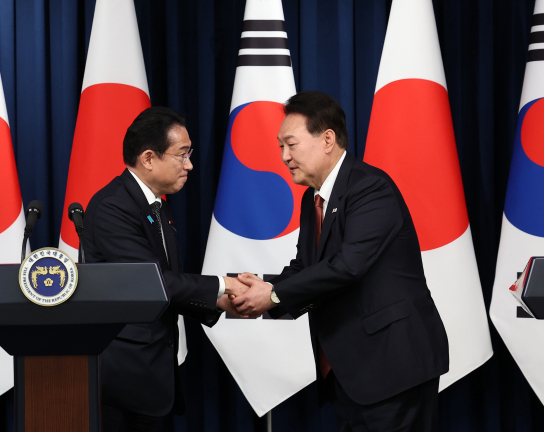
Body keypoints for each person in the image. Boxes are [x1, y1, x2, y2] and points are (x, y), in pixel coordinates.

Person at [232, 91, 449, 431]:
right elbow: (306, 267)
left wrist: (272, 295)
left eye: (291, 145)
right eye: (280, 147)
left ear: (328, 140)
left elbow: (348, 266)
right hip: (350, 372)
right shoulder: (312, 200)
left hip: (392, 368)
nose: (285, 156)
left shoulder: (370, 188)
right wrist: (257, 291)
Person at [84, 106, 244, 432]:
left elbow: (167, 283)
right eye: (182, 154)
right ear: (148, 158)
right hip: (122, 379)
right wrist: (224, 285)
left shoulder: (154, 206)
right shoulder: (114, 207)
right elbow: (151, 282)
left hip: (150, 375)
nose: (190, 165)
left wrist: (218, 302)